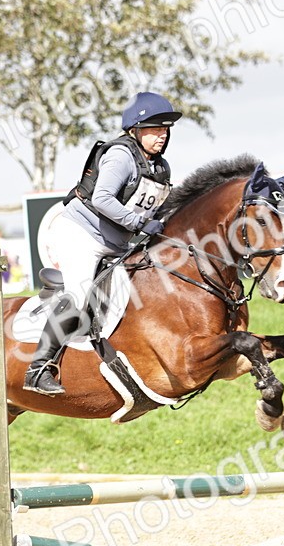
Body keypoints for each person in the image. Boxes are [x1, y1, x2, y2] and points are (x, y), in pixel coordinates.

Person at [23, 91, 181, 396]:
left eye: (164, 129)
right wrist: (139, 224)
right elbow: (103, 199)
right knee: (79, 296)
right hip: (80, 234)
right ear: (135, 130)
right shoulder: (121, 156)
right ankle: (38, 367)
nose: (161, 135)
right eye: (153, 128)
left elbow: (155, 207)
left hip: (118, 243)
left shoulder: (161, 168)